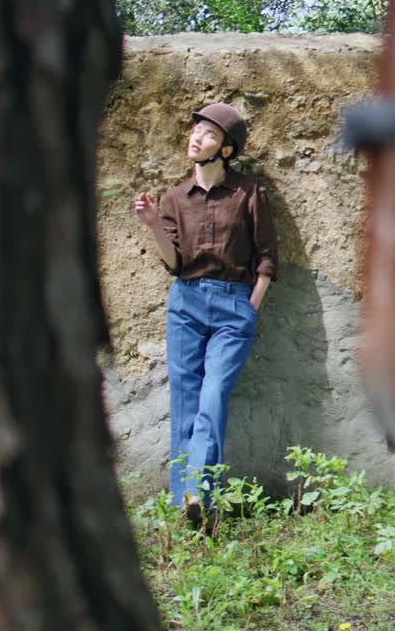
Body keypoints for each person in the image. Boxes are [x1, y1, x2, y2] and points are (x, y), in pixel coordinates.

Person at [133, 102, 278, 522]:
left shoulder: (250, 193)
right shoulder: (174, 198)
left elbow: (266, 257)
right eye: (196, 129)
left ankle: (198, 493)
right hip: (186, 302)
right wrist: (154, 227)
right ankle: (190, 504)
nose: (196, 137)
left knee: (213, 395)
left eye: (209, 133)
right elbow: (174, 264)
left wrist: (250, 307)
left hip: (235, 303)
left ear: (227, 150)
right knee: (185, 401)